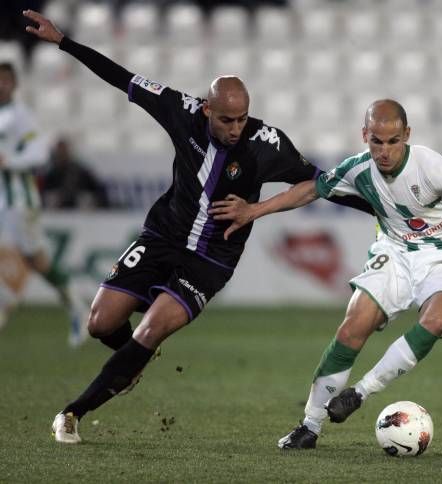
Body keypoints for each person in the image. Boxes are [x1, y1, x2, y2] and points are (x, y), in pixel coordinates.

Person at [23, 9, 373, 444]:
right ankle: (131, 364)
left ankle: (73, 412)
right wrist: (64, 42)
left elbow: (320, 183)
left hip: (211, 258)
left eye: (242, 119)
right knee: (99, 323)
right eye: (226, 119)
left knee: (150, 329)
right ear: (207, 109)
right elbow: (122, 77)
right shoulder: (180, 111)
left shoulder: (267, 145)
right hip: (162, 236)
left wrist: (376, 208)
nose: (235, 128)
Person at [209, 99, 442, 449]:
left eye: (393, 141)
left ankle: (360, 392)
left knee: (437, 320)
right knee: (352, 326)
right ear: (365, 135)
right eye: (376, 141)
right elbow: (310, 189)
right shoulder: (357, 169)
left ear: (407, 135)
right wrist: (254, 210)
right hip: (396, 251)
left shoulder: (430, 165)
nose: (384, 150)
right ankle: (310, 426)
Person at [0, 61, 88, 346]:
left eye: (6, 80)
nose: (2, 85)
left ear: (15, 84)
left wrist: (10, 161)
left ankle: (76, 306)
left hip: (18, 201)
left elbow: (39, 155)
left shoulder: (21, 117)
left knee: (36, 259)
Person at [41, 137, 109, 209]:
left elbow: (99, 192)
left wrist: (91, 200)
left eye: (64, 151)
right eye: (59, 151)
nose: (61, 154)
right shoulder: (51, 174)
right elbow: (43, 195)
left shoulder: (82, 172)